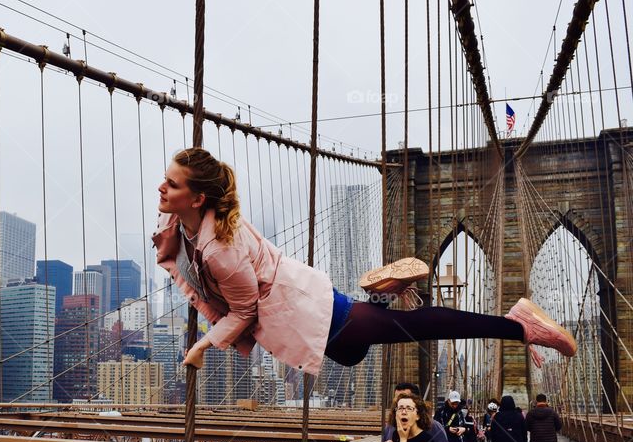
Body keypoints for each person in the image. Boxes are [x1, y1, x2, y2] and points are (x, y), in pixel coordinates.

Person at [152, 148, 577, 377]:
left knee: (418, 327)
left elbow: (243, 309)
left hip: (313, 314)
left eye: (171, 184)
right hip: (307, 326)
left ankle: (518, 323)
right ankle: (387, 299)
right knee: (354, 355)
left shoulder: (221, 251)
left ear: (198, 198)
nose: (161, 187)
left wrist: (202, 345)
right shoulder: (182, 220)